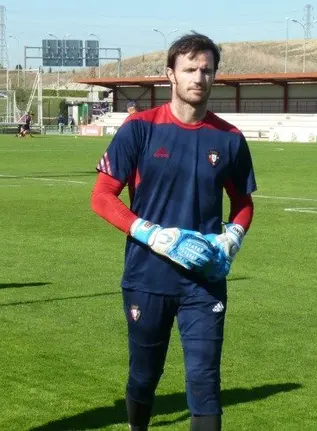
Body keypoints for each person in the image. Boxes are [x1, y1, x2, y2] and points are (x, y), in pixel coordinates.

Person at [90, 33, 256, 431]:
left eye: (207, 70)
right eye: (190, 69)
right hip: (148, 275)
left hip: (204, 279)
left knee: (205, 380)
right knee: (145, 374)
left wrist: (232, 237)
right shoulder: (140, 129)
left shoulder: (229, 138)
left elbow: (243, 203)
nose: (199, 77)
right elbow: (102, 196)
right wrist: (148, 232)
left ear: (215, 76)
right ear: (171, 75)